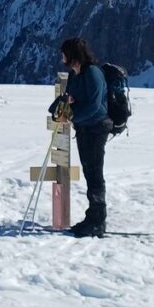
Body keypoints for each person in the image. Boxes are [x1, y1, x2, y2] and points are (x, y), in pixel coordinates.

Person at [52, 37, 112, 238]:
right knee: (89, 171)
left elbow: (95, 105)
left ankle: (98, 220)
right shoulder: (75, 75)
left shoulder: (93, 73)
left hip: (96, 128)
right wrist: (65, 106)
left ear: (72, 55)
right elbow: (72, 97)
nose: (62, 57)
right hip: (84, 129)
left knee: (95, 172)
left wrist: (74, 116)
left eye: (64, 54)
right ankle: (92, 217)